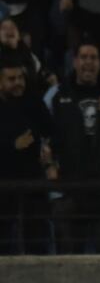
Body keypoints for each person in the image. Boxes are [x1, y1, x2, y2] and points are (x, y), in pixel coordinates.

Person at [49, 43, 100, 254]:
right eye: (83, 57)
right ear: (75, 62)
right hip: (69, 188)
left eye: (93, 57)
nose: (88, 62)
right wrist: (49, 164)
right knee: (68, 256)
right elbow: (45, 134)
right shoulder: (57, 95)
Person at [0, 60, 53, 254]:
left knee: (38, 241)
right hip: (3, 185)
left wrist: (49, 152)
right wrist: (12, 146)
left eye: (21, 78)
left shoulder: (33, 102)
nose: (18, 83)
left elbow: (51, 130)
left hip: (33, 182)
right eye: (11, 79)